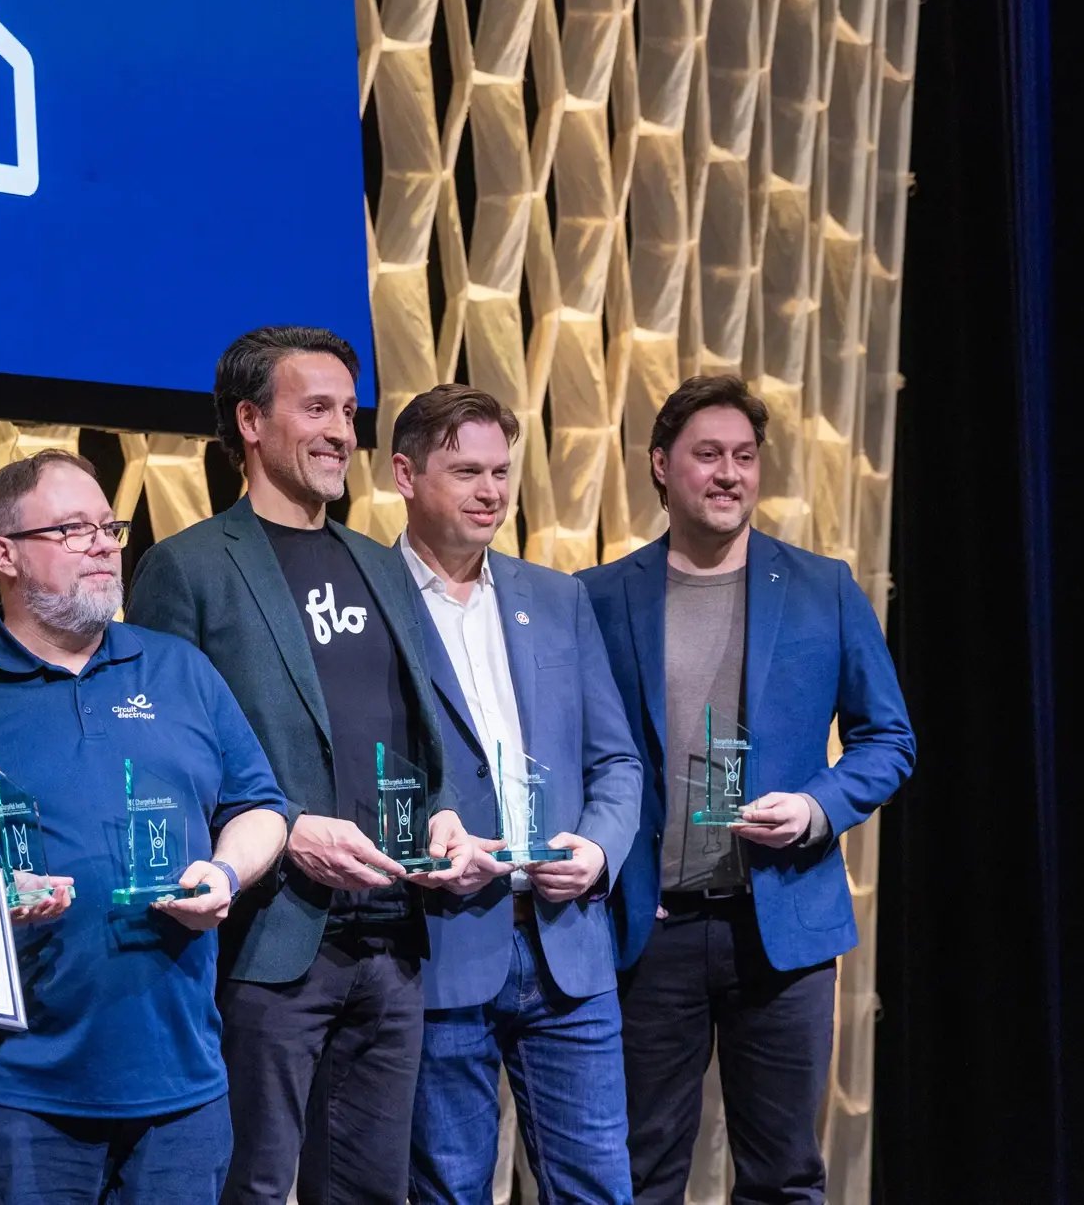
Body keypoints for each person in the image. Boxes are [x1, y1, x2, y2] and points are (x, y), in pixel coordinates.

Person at [128, 326, 488, 1204]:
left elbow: (414, 728)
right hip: (271, 943)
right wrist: (283, 832)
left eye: (350, 413)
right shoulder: (189, 567)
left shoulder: (379, 563)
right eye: (316, 408)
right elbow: (160, 763)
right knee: (249, 1187)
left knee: (372, 1191)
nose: (340, 432)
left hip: (395, 940)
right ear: (250, 421)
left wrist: (441, 809)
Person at [0, 450, 290, 1205]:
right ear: (3, 553)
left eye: (109, 527)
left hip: (182, 1084)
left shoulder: (179, 669)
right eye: (73, 528)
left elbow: (260, 807)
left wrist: (223, 873)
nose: (104, 544)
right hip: (14, 1090)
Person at [577, 375, 916, 1203]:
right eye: (707, 456)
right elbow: (573, 754)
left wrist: (816, 808)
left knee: (784, 1176)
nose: (729, 473)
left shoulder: (822, 587)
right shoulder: (596, 597)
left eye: (744, 457)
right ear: (661, 467)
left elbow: (889, 739)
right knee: (638, 1170)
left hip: (783, 925)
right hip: (649, 931)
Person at [390, 384, 643, 1203]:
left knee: (599, 1189)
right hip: (440, 948)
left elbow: (618, 763)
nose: (491, 491)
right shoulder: (369, 605)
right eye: (467, 471)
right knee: (450, 1192)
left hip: (568, 946)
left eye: (501, 471)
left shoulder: (556, 598)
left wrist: (599, 849)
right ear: (404, 474)